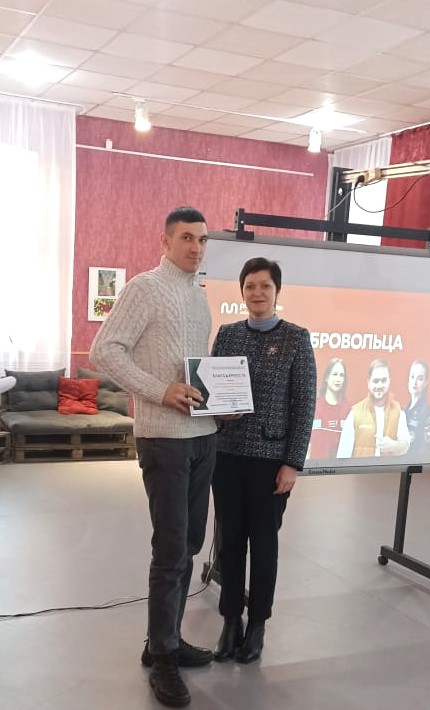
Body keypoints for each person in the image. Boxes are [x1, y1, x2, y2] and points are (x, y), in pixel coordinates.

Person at [90, 206, 217, 709]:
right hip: (164, 439)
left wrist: (219, 401)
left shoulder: (200, 297)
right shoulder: (144, 288)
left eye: (202, 239)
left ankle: (164, 639)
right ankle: (163, 657)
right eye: (186, 238)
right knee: (170, 551)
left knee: (190, 544)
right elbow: (105, 350)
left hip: (203, 435)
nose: (196, 247)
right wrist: (159, 391)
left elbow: (196, 369)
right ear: (165, 241)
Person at [211, 257, 316, 664]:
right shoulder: (227, 335)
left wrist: (293, 463)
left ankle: (257, 624)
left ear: (277, 292)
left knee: (264, 544)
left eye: (265, 286)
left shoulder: (296, 338)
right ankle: (230, 620)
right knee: (230, 542)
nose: (257, 293)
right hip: (227, 454)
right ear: (242, 291)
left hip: (271, 462)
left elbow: (304, 405)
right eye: (250, 286)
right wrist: (218, 412)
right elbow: (211, 391)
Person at [337, 358, 410, 458]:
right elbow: (342, 456)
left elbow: (405, 445)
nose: (379, 385)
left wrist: (394, 446)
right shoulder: (355, 413)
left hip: (389, 469)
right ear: (369, 382)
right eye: (375, 381)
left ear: (389, 381)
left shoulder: (398, 412)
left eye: (383, 381)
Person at [309, 358, 351, 460]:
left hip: (339, 466)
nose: (338, 379)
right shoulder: (314, 406)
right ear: (327, 377)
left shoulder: (348, 409)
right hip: (315, 466)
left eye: (341, 375)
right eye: (335, 374)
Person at [405, 360, 430, 458]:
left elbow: (425, 449)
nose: (414, 382)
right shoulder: (404, 410)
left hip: (413, 463)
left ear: (425, 383)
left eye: (420, 378)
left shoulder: (427, 412)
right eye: (412, 377)